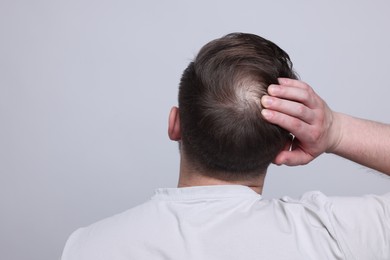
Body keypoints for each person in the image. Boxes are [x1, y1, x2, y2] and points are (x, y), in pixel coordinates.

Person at [61, 33, 390, 260]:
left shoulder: (89, 247)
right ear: (285, 144)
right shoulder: (333, 234)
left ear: (175, 125)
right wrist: (336, 131)